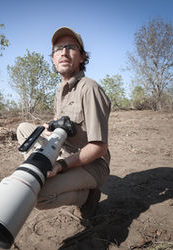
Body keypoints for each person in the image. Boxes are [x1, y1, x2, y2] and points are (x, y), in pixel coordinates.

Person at [16, 27, 111, 218]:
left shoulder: (89, 89)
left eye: (70, 47)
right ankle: (42, 170)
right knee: (24, 129)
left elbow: (99, 148)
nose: (64, 52)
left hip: (91, 164)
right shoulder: (60, 90)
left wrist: (61, 165)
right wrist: (50, 128)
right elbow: (65, 124)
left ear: (82, 56)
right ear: (53, 58)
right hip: (63, 150)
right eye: (58, 48)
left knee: (37, 195)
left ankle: (87, 197)